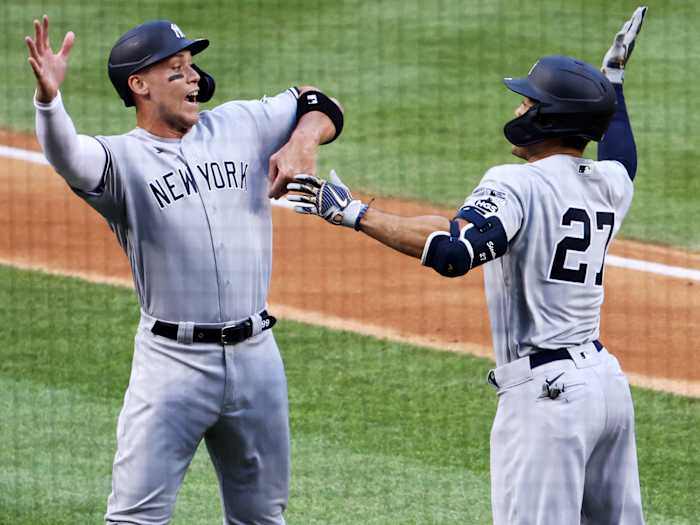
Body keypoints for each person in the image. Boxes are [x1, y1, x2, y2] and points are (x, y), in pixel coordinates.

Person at [286, 7, 647, 524]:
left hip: (547, 400)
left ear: (549, 118)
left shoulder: (517, 182)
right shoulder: (607, 184)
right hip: (607, 386)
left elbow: (454, 251)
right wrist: (613, 82)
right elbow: (623, 155)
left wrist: (352, 212)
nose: (521, 109)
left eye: (530, 102)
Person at [25, 15, 343, 525]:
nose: (194, 78)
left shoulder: (239, 124)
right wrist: (49, 100)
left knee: (262, 517)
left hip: (257, 357)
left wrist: (304, 140)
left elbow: (318, 101)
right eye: (176, 69)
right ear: (140, 85)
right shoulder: (121, 161)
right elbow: (67, 155)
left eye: (193, 66)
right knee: (134, 518)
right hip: (172, 366)